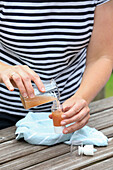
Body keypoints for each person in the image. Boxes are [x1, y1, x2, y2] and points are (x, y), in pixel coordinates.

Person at [0, 0, 113, 133]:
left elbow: (102, 57)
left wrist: (81, 98)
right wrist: (3, 69)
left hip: (66, 117)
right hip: (4, 113)